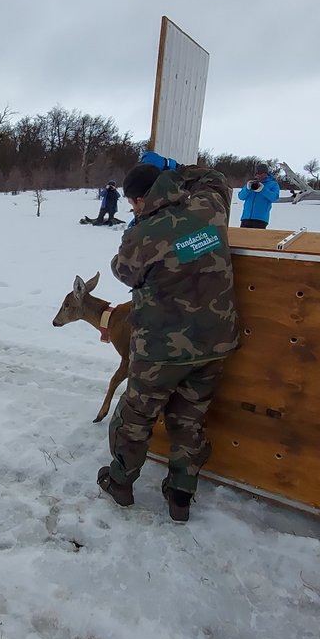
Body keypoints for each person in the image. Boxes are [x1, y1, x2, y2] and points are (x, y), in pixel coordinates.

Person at [96, 158, 239, 522]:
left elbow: (123, 271)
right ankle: (180, 495)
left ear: (141, 199)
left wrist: (137, 231)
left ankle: (121, 483)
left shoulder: (143, 235)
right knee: (190, 419)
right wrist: (174, 169)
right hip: (213, 344)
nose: (132, 209)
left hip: (161, 349)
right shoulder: (209, 207)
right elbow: (215, 177)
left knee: (135, 417)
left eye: (133, 203)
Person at [238, 164, 280, 228]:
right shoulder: (251, 183)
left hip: (261, 219)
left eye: (260, 173)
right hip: (246, 218)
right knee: (243, 237)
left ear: (266, 173)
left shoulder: (273, 184)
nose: (258, 175)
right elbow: (241, 197)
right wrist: (247, 189)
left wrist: (262, 189)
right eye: (256, 173)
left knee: (258, 238)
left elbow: (274, 198)